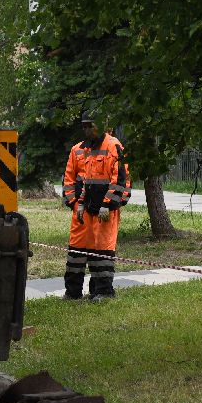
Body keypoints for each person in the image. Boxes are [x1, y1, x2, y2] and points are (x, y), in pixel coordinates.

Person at [61, 115, 130, 299]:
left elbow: (120, 180)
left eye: (89, 126)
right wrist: (77, 204)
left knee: (102, 250)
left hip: (105, 211)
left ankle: (103, 291)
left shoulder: (113, 146)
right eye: (84, 127)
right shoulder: (82, 149)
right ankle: (74, 291)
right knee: (77, 251)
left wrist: (108, 205)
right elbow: (78, 182)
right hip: (84, 210)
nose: (86, 130)